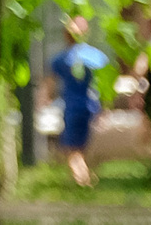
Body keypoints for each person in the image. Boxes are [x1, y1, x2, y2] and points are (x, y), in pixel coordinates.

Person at [51, 16, 111, 189]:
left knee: (71, 148)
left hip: (72, 106)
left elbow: (49, 83)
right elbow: (105, 83)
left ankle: (83, 181)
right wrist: (105, 106)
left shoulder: (62, 59)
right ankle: (85, 177)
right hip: (92, 105)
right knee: (83, 145)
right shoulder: (96, 57)